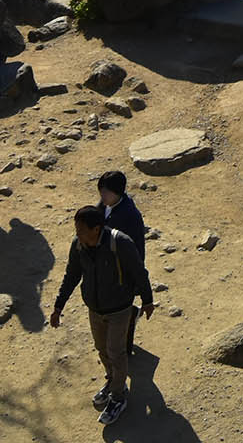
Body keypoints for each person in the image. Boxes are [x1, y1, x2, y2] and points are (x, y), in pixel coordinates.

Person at [49, 205, 155, 426]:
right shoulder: (78, 245)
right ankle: (114, 380)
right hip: (95, 309)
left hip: (119, 309)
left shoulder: (120, 243)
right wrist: (58, 306)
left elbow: (139, 272)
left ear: (96, 228)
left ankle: (118, 397)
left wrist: (147, 300)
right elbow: (72, 275)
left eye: (81, 230)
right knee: (101, 349)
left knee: (116, 352)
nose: (77, 234)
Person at [97, 170, 146, 356]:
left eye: (105, 193)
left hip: (123, 272)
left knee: (120, 311)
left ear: (118, 192)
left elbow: (136, 251)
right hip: (107, 268)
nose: (101, 197)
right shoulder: (106, 205)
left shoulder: (130, 216)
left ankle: (125, 349)